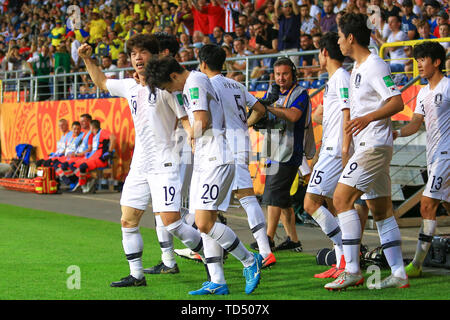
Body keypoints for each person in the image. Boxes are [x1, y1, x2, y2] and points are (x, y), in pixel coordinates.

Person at [78, 33, 205, 288]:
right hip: (140, 165)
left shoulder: (167, 89)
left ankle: (212, 251)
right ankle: (137, 275)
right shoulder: (130, 85)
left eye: (143, 52)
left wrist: (194, 137)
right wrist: (87, 59)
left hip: (165, 164)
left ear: (155, 56)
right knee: (128, 219)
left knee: (172, 224)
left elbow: (184, 121)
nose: (137, 57)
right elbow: (102, 82)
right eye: (134, 53)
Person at [145, 56, 263, 295]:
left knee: (204, 223)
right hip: (204, 159)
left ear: (173, 77)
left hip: (215, 158)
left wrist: (190, 136)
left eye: (168, 87)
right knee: (204, 224)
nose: (171, 91)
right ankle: (218, 281)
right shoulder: (193, 82)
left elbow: (202, 120)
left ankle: (250, 261)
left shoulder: (195, 81)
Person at [325, 13, 408, 291]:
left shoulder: (374, 65)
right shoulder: (359, 67)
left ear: (350, 38)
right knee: (381, 210)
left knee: (340, 199)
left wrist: (367, 118)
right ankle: (398, 272)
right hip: (370, 144)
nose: (338, 42)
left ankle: (352, 270)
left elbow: (397, 102)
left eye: (339, 36)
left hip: (373, 144)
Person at [198, 44, 276, 269]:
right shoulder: (237, 84)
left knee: (245, 196)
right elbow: (260, 109)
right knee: (220, 199)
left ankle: (264, 251)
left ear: (203, 63)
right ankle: (209, 244)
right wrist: (245, 125)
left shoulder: (207, 85)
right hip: (240, 142)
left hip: (225, 146)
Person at [393, 41, 449, 278]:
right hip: (433, 155)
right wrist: (394, 133)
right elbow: (416, 124)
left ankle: (416, 264)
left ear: (436, 62)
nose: (419, 66)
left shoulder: (448, 86)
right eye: (416, 62)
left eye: (423, 60)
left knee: (427, 205)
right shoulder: (423, 92)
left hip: (446, 155)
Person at [303, 32, 351, 280]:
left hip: (335, 152)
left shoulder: (341, 77)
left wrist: (344, 150)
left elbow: (347, 113)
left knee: (310, 204)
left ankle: (347, 257)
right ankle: (342, 260)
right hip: (329, 150)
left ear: (324, 52)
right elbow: (326, 115)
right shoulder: (333, 80)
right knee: (334, 206)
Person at [259, 57, 312, 253]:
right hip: (273, 151)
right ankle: (293, 240)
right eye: (278, 74)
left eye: (285, 74)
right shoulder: (271, 93)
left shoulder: (300, 93)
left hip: (289, 152)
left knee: (273, 195)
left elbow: (293, 115)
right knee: (282, 199)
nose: (281, 78)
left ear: (293, 73)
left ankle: (268, 239)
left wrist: (267, 107)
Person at [274, 0, 300, 67]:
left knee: (294, 69)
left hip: (293, 48)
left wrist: (292, 2)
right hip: (282, 49)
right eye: (285, 7)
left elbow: (294, 4)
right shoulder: (281, 18)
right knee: (281, 69)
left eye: (290, 6)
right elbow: (276, 7)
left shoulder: (296, 17)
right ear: (282, 8)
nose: (288, 8)